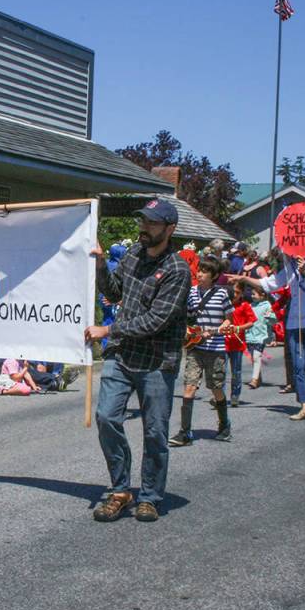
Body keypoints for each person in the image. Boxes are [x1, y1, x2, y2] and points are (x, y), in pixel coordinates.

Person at [85, 198, 191, 523]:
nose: (144, 228)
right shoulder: (132, 254)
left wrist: (107, 329)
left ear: (169, 229)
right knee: (106, 417)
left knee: (155, 432)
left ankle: (149, 496)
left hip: (157, 361)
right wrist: (102, 265)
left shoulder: (177, 270)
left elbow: (155, 321)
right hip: (122, 354)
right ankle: (120, 490)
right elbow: (115, 293)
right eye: (143, 221)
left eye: (152, 223)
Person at [232, 251, 305, 421]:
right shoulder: (290, 266)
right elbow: (268, 284)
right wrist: (243, 279)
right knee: (297, 366)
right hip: (294, 321)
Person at [169, 255, 234, 447]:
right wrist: (188, 330)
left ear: (214, 276)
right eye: (199, 270)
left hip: (215, 348)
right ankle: (185, 432)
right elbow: (187, 318)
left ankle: (224, 424)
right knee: (189, 387)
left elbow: (229, 318)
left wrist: (222, 327)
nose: (200, 273)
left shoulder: (221, 294)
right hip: (195, 347)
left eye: (205, 271)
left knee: (216, 387)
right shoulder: (191, 293)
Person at [224, 281, 256, 407]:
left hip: (237, 344)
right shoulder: (225, 305)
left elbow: (251, 322)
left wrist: (238, 328)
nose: (234, 295)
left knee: (236, 372)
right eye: (232, 292)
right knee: (220, 371)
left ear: (242, 293)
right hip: (223, 343)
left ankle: (235, 395)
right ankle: (219, 396)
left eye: (237, 292)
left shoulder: (245, 305)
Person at [245, 286, 276, 388]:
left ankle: (254, 380)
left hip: (261, 336)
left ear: (263, 295)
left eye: (254, 294)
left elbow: (273, 320)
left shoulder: (267, 306)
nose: (252, 296)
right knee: (254, 358)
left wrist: (270, 317)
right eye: (252, 294)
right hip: (250, 335)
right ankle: (258, 378)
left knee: (256, 356)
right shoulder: (250, 306)